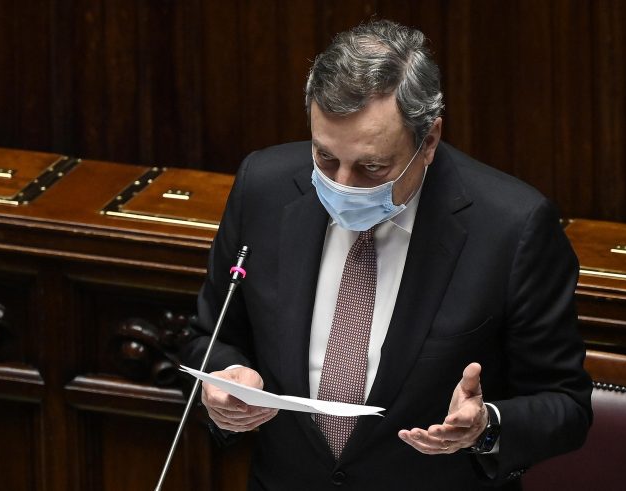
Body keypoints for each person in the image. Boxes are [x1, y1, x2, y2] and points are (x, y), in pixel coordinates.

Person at [181, 19, 592, 490]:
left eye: (372, 166)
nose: (342, 184)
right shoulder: (264, 186)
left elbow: (566, 404)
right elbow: (209, 336)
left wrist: (486, 427)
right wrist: (225, 380)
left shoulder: (512, 227)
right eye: (325, 157)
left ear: (429, 141)